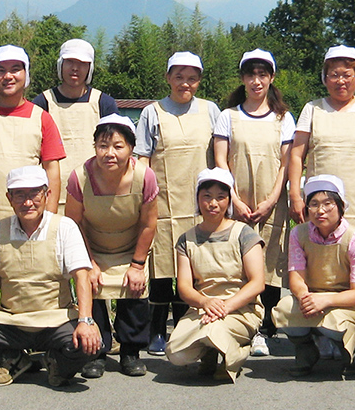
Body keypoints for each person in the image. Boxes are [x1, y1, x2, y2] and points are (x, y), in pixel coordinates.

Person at [0, 166, 102, 388]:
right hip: (10, 321)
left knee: (90, 343)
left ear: (47, 195)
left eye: (34, 193)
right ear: (9, 198)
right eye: (19, 195)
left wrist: (86, 320)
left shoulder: (64, 227)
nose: (27, 202)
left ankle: (58, 365)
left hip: (55, 318)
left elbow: (81, 276)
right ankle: (8, 361)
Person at [0, 45, 65, 310]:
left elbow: (52, 169)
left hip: (30, 217)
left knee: (26, 282)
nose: (8, 76)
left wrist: (48, 216)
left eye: (15, 69)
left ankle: (26, 345)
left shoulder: (41, 118)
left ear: (26, 75)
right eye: (1, 70)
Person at [135, 51, 221, 355]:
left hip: (201, 203)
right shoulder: (152, 112)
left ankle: (189, 327)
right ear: (168, 78)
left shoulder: (211, 111)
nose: (185, 83)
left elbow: (220, 155)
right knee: (161, 267)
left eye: (192, 78)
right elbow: (143, 158)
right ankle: (157, 330)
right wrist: (142, 199)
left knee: (196, 269)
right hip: (163, 203)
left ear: (199, 81)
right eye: (179, 77)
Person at [213, 48, 294, 357]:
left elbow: (287, 164)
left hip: (272, 200)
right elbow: (221, 159)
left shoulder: (283, 118)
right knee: (238, 260)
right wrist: (232, 197)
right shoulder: (228, 116)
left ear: (271, 78)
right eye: (251, 74)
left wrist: (274, 198)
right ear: (243, 79)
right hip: (236, 200)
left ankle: (267, 324)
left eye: (262, 74)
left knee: (271, 260)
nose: (256, 81)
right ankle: (240, 321)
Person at [65, 114, 158, 377]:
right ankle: (96, 352)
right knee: (90, 287)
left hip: (131, 247)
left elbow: (149, 224)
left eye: (118, 146)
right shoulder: (79, 177)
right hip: (92, 246)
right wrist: (89, 263)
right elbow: (74, 224)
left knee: (135, 290)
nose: (110, 153)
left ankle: (130, 351)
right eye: (103, 146)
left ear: (130, 148)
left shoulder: (144, 176)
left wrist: (138, 264)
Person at [165, 168, 265, 382]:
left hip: (240, 309)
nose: (213, 203)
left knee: (213, 330)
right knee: (176, 353)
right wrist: (205, 302)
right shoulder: (186, 239)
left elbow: (257, 283)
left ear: (229, 201)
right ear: (198, 199)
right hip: (202, 309)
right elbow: (184, 287)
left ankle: (236, 354)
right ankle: (210, 353)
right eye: (207, 196)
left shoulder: (244, 234)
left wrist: (226, 306)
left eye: (221, 197)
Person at [273, 175, 355, 377]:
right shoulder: (298, 234)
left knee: (333, 322)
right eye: (313, 204)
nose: (320, 211)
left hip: (350, 303)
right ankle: (306, 351)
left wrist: (325, 300)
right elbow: (296, 278)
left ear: (340, 207)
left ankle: (351, 350)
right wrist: (305, 298)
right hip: (313, 296)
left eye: (328, 204)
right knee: (284, 310)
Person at [288, 45, 355, 236]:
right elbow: (296, 155)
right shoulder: (312, 109)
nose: (340, 81)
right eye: (334, 75)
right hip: (319, 207)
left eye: (347, 75)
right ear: (325, 78)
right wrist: (295, 194)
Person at [33, 38, 119, 213]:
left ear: (90, 68)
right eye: (70, 62)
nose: (75, 68)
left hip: (96, 193)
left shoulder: (104, 103)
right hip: (51, 195)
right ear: (60, 65)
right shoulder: (43, 103)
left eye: (82, 63)